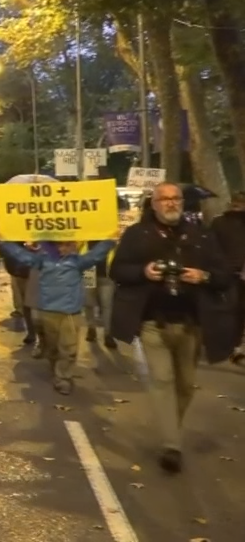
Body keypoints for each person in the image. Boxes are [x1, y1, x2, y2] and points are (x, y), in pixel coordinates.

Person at [110, 182, 234, 473]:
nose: (170, 203)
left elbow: (223, 276)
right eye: (164, 199)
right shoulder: (136, 235)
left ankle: (170, 430)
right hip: (153, 323)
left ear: (183, 203)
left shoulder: (201, 236)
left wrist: (202, 276)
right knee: (163, 380)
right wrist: (144, 271)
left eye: (175, 198)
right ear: (153, 204)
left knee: (185, 386)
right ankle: (172, 446)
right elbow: (117, 271)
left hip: (191, 325)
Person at [0, 234, 117, 394]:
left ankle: (63, 377)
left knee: (69, 347)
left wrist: (109, 240)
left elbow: (96, 255)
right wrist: (4, 241)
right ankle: (56, 366)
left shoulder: (78, 262)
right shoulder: (42, 261)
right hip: (49, 312)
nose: (64, 248)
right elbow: (21, 256)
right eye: (60, 245)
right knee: (53, 346)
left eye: (68, 245)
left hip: (70, 313)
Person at [209, 191, 245, 364]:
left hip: (225, 272)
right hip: (234, 272)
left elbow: (210, 246)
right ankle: (235, 345)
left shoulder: (218, 222)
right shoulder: (221, 222)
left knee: (229, 310)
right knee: (237, 311)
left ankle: (230, 345)